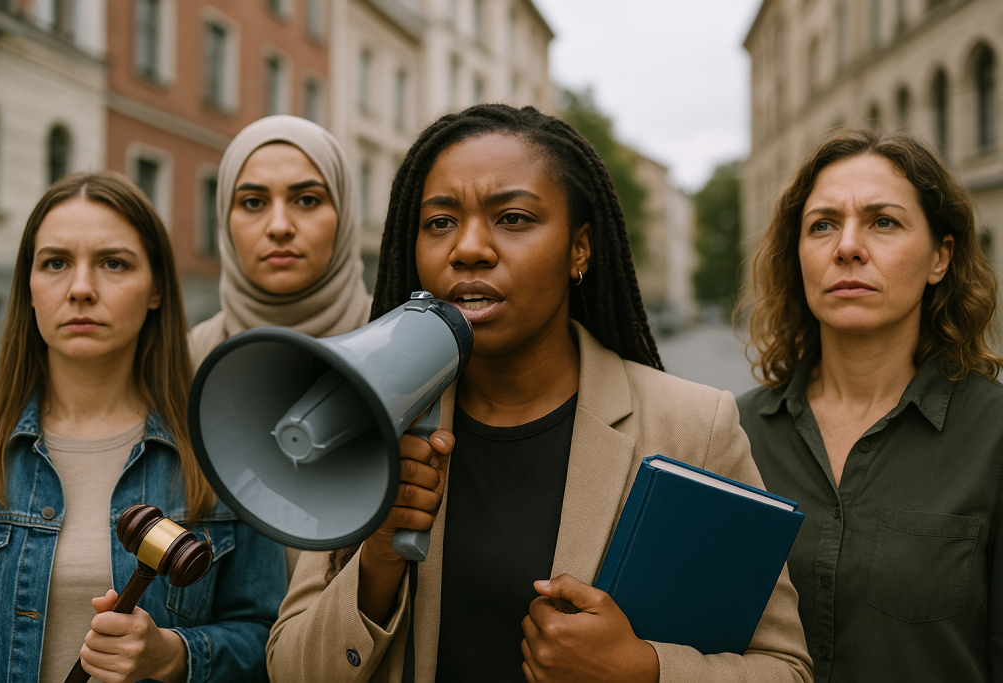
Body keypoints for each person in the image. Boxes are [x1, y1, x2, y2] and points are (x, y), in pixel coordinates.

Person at [267, 104, 813, 683]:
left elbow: (784, 669)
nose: (469, 248)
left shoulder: (693, 427)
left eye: (514, 218)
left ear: (579, 248)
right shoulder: (368, 421)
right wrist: (376, 558)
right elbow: (289, 670)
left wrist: (645, 670)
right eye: (440, 222)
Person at [0, 171, 286, 683]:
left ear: (156, 291)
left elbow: (269, 637)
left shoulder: (224, 453)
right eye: (55, 263)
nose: (80, 289)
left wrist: (174, 655)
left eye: (113, 263)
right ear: (28, 289)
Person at [736, 127, 1003, 683]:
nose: (847, 246)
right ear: (799, 257)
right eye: (823, 225)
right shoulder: (732, 434)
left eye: (884, 221)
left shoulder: (994, 435)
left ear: (939, 258)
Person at [187, 115, 370, 369]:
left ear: (344, 214)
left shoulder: (402, 343)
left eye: (307, 200)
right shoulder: (185, 362)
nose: (279, 227)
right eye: (253, 203)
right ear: (225, 218)